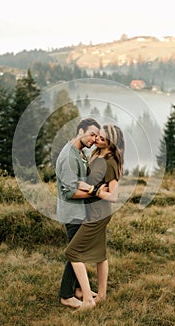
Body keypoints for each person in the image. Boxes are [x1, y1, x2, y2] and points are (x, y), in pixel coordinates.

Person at [65, 124, 125, 310]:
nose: (98, 138)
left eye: (102, 138)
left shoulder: (110, 161)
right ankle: (101, 295)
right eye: (98, 135)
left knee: (72, 252)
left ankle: (89, 301)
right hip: (91, 210)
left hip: (99, 214)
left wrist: (91, 189)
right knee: (100, 254)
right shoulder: (95, 154)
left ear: (111, 142)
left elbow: (114, 196)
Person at [55, 117, 101, 309]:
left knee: (79, 251)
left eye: (97, 136)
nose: (94, 139)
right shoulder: (68, 157)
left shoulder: (80, 152)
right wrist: (96, 193)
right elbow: (70, 192)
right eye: (91, 134)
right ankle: (66, 295)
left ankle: (78, 290)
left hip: (80, 211)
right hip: (72, 213)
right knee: (76, 253)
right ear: (80, 131)